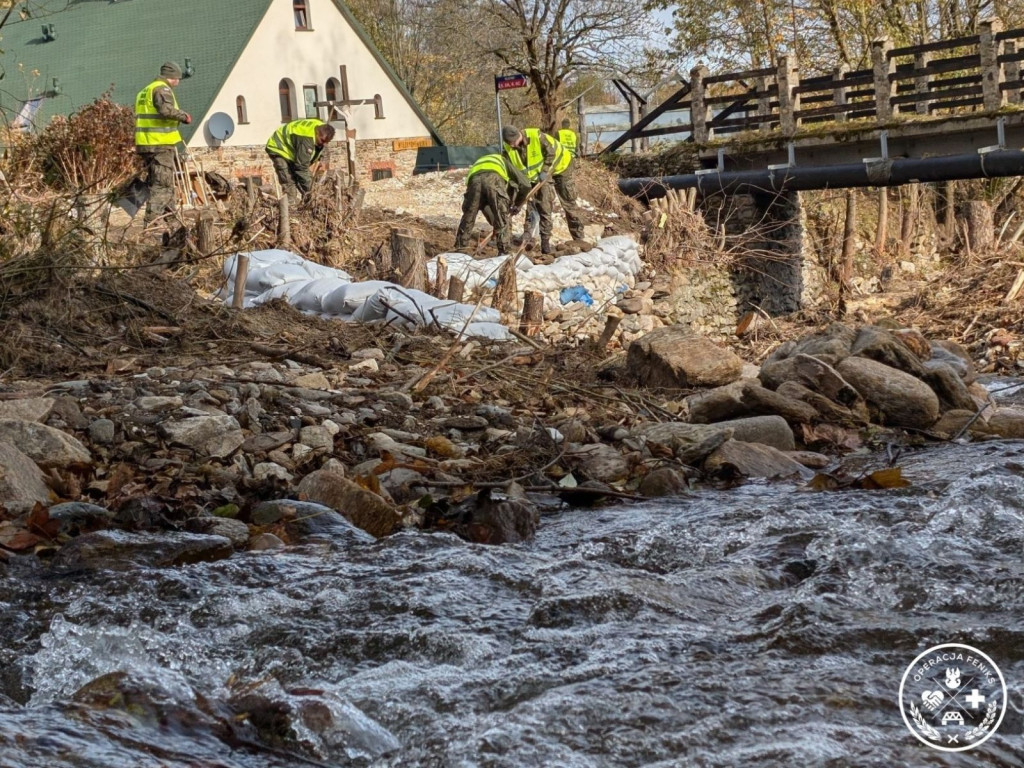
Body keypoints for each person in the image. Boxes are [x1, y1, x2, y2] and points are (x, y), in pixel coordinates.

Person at [502, 125, 585, 254]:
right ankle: (530, 238)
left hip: (562, 166)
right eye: (509, 143)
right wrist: (516, 201)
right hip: (537, 176)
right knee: (534, 203)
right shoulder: (508, 149)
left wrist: (545, 170)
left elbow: (551, 153)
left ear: (519, 135)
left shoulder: (536, 136)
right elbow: (513, 175)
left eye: (513, 142)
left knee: (568, 204)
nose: (512, 145)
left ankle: (579, 238)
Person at [134, 61, 191, 225]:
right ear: (172, 77)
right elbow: (165, 110)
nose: (178, 82)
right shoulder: (162, 89)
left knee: (160, 183)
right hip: (160, 144)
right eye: (177, 78)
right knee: (162, 186)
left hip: (146, 144)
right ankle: (151, 225)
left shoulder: (144, 91)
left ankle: (174, 223)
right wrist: (184, 116)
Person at [454, 152, 531, 254]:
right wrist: (517, 204)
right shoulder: (503, 160)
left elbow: (483, 205)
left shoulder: (480, 161)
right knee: (501, 217)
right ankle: (504, 252)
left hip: (474, 181)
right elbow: (526, 185)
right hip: (493, 179)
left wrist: (495, 222)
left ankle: (460, 248)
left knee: (469, 215)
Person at [266, 118, 336, 202]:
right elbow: (301, 168)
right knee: (289, 181)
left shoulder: (320, 126)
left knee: (305, 178)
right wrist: (313, 190)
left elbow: (303, 168)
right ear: (317, 133)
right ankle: (291, 204)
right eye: (323, 140)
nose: (324, 144)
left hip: (292, 149)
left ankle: (308, 201)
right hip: (278, 147)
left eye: (327, 142)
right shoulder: (306, 139)